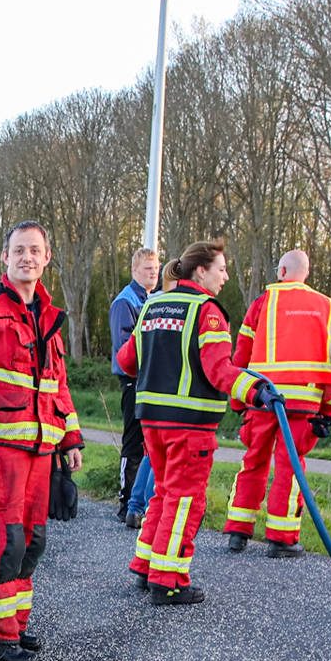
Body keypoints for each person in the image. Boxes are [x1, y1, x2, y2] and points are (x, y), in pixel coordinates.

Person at [0, 219, 85, 661]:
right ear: (4, 257)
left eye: (35, 250)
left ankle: (14, 627)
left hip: (42, 453)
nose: (28, 257)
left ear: (47, 258)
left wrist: (70, 439)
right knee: (2, 542)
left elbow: (57, 384)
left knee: (31, 542)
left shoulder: (48, 315)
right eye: (19, 249)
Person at [113, 238, 269, 605]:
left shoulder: (153, 304)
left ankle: (145, 564)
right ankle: (168, 580)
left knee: (163, 493)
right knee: (185, 500)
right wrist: (257, 389)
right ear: (201, 271)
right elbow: (219, 371)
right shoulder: (207, 311)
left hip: (151, 420)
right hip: (189, 425)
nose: (226, 277)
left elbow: (126, 360)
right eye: (221, 269)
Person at [221, 249, 331, 557]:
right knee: (290, 467)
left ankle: (238, 531)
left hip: (263, 397)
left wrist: (239, 399)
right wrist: (330, 410)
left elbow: (242, 351)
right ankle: (281, 538)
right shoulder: (327, 307)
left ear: (281, 272)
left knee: (253, 461)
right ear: (307, 274)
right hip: (305, 403)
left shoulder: (264, 302)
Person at [107, 246, 162, 529]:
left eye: (155, 269)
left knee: (148, 441)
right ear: (134, 271)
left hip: (150, 380)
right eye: (147, 269)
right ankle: (126, 499)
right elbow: (124, 345)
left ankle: (140, 502)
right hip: (133, 379)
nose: (153, 274)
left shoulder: (156, 299)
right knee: (132, 441)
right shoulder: (125, 302)